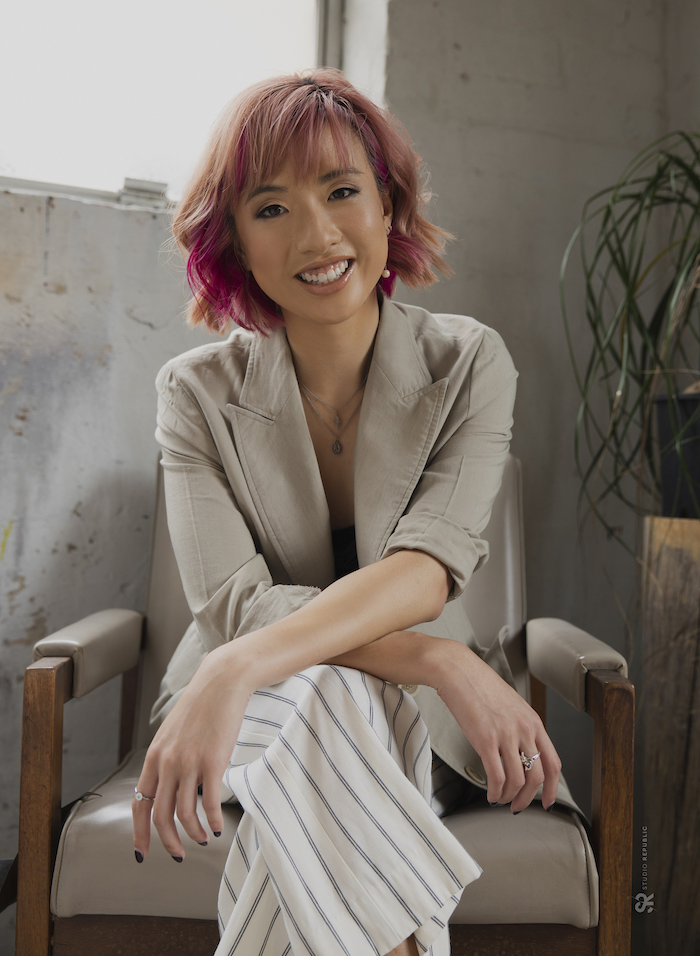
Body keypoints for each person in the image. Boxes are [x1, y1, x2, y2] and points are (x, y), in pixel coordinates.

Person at [131, 69, 562, 956]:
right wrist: (434, 655)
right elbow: (236, 609)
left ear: (389, 206)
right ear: (236, 241)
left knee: (334, 700)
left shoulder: (469, 363)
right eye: (272, 207)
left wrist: (236, 665)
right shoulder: (194, 393)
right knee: (327, 697)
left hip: (362, 712)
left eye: (341, 192)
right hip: (241, 713)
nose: (318, 234)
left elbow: (424, 569)